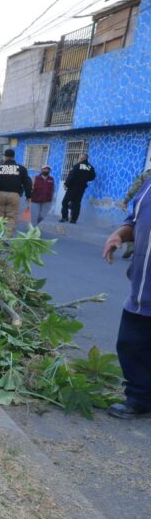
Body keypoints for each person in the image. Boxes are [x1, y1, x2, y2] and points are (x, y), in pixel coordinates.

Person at [103, 179, 151, 419]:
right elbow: (134, 220)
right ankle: (139, 398)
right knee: (131, 344)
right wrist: (118, 235)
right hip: (142, 286)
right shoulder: (149, 184)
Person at [0, 148, 32, 237]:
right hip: (14, 195)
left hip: (0, 194)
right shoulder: (21, 168)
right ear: (13, 157)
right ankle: (7, 238)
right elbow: (28, 183)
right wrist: (28, 196)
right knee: (11, 217)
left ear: (4, 156)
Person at [60, 153, 96, 223]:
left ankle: (64, 217)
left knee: (65, 202)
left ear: (82, 158)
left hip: (72, 187)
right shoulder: (90, 167)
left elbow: (71, 176)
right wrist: (85, 179)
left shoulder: (76, 166)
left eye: (79, 158)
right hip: (81, 188)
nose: (78, 159)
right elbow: (93, 177)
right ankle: (73, 220)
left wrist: (66, 184)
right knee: (76, 203)